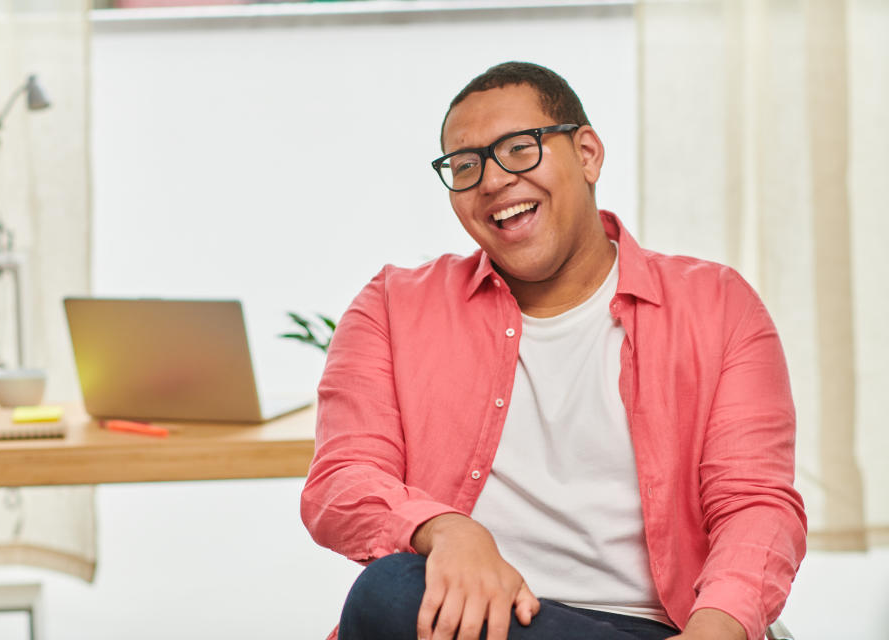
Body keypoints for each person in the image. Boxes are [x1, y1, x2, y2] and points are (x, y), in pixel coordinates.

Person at [300, 61, 806, 640]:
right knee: (392, 591)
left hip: (658, 628)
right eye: (465, 166)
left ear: (587, 154)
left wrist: (714, 631)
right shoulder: (392, 305)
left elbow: (754, 504)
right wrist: (447, 530)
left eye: (519, 149)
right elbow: (342, 478)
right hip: (477, 620)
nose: (491, 181)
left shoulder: (717, 304)